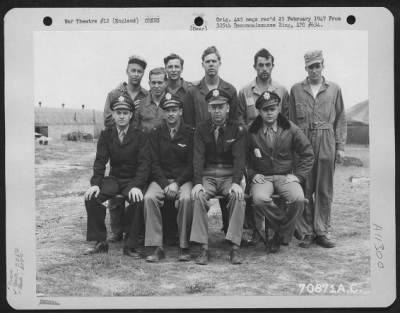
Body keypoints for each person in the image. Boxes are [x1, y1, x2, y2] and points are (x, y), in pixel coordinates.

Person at [287, 50, 347, 248]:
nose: (314, 70)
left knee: (324, 188)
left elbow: (340, 120)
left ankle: (322, 231)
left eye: (317, 65)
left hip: (326, 139)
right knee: (305, 187)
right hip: (303, 142)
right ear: (305, 68)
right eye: (310, 66)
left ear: (323, 65)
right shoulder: (296, 89)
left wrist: (340, 147)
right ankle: (307, 232)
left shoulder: (334, 89)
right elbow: (291, 122)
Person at [247, 91, 314, 253]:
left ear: (278, 109)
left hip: (285, 176)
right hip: (263, 177)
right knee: (259, 199)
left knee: (298, 199)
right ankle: (286, 226)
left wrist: (297, 176)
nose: (269, 113)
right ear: (259, 112)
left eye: (273, 109)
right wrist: (252, 174)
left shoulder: (290, 128)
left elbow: (307, 153)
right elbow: (242, 158)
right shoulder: (251, 131)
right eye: (265, 109)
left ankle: (280, 236)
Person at [84, 92, 149, 257]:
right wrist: (95, 185)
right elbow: (100, 162)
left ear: (131, 115)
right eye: (118, 113)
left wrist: (137, 186)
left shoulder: (140, 136)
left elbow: (144, 165)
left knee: (138, 199)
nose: (121, 116)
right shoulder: (106, 135)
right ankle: (100, 241)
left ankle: (130, 245)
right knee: (91, 197)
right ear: (112, 114)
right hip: (114, 179)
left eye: (125, 113)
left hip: (132, 179)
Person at [190, 88, 246, 265]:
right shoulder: (201, 129)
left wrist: (237, 182)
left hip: (229, 175)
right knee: (197, 196)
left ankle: (235, 247)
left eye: (221, 107)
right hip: (208, 175)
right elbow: (197, 158)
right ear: (208, 108)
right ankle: (203, 248)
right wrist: (197, 183)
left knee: (238, 197)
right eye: (213, 107)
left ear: (228, 108)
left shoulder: (237, 129)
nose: (217, 111)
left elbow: (239, 158)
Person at [143, 92, 194, 262]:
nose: (171, 113)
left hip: (183, 180)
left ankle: (184, 245)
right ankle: (156, 246)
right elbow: (153, 163)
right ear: (163, 113)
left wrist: (177, 184)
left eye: (174, 109)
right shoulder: (155, 133)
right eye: (167, 110)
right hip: (162, 180)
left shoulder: (190, 133)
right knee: (149, 197)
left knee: (187, 199)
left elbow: (191, 164)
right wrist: (165, 184)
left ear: (180, 111)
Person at [103, 55, 148, 243]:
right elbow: (107, 119)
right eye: (133, 70)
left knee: (137, 190)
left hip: (138, 145)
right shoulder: (114, 94)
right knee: (114, 190)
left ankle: (134, 229)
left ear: (143, 73)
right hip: (119, 143)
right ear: (127, 71)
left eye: (139, 71)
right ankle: (116, 229)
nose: (136, 74)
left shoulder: (146, 96)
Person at [162, 53, 193, 244]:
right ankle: (165, 235)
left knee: (184, 196)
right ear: (166, 69)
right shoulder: (159, 89)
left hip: (184, 139)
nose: (173, 70)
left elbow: (193, 115)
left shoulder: (190, 91)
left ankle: (183, 238)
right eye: (170, 67)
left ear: (182, 68)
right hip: (162, 142)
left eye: (176, 66)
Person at [182, 46, 241, 127]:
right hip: (200, 138)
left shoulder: (230, 90)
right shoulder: (193, 91)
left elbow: (234, 120)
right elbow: (188, 123)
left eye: (214, 61)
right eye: (208, 62)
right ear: (203, 65)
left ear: (219, 64)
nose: (211, 64)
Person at [238, 48, 289, 126]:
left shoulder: (282, 91)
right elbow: (240, 120)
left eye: (268, 65)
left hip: (276, 136)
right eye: (261, 65)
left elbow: (286, 120)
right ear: (255, 67)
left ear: (272, 66)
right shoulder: (244, 92)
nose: (265, 69)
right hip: (252, 136)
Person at [135, 67, 168, 132]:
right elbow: (135, 131)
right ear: (149, 83)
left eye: (160, 83)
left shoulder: (172, 103)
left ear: (166, 83)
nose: (156, 86)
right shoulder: (140, 105)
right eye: (153, 83)